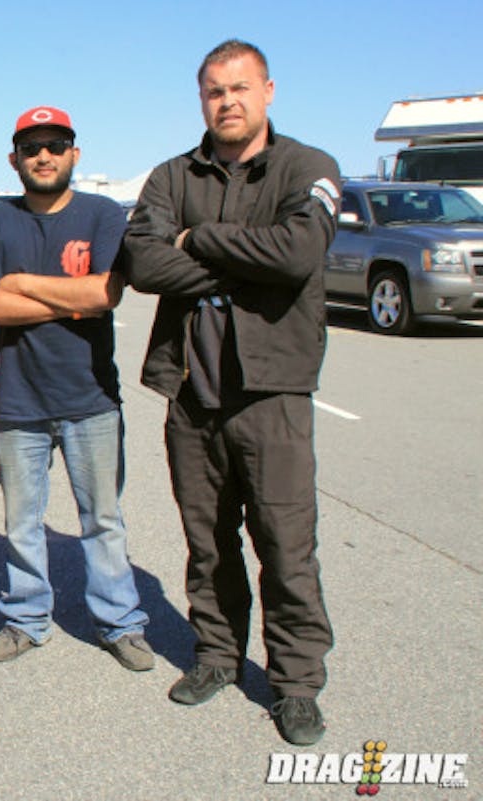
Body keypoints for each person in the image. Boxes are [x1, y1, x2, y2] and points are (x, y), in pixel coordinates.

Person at [119, 40, 339, 746]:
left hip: (272, 395)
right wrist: (245, 262)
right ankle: (217, 655)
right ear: (201, 99)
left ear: (268, 90)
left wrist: (202, 239)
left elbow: (300, 254)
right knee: (207, 542)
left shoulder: (308, 169)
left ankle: (296, 682)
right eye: (214, 91)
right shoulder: (171, 175)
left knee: (285, 543)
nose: (227, 101)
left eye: (240, 88)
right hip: (193, 396)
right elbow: (145, 263)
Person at [0, 106, 153, 672]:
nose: (43, 155)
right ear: (15, 159)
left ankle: (120, 623)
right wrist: (66, 296)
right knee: (22, 522)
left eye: (55, 144)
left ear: (74, 153)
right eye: (31, 147)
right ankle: (26, 618)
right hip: (20, 403)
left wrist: (18, 284)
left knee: (103, 520)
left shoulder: (100, 215)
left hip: (91, 399)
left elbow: (105, 294)